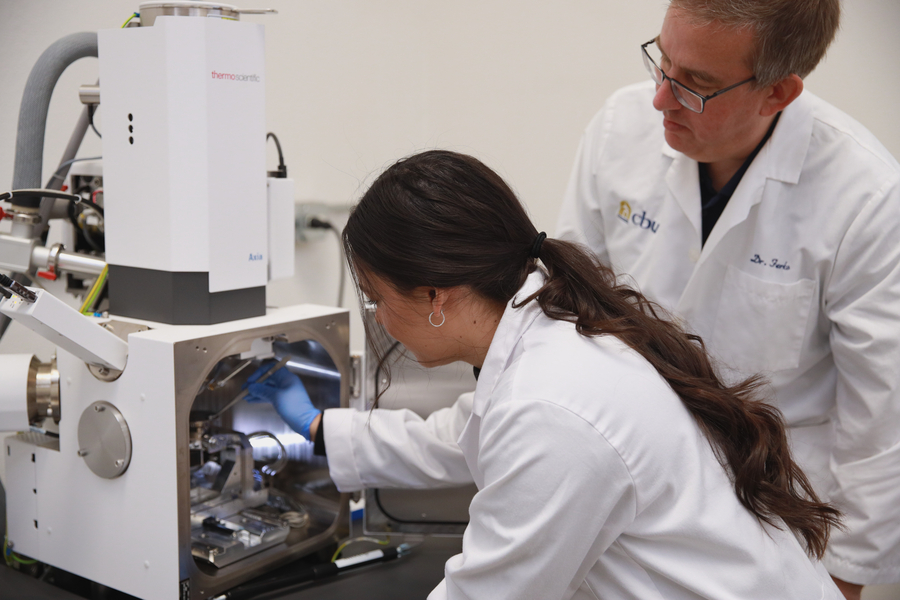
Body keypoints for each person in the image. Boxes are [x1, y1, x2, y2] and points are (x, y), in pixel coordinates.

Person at [246, 149, 844, 599]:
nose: (376, 315)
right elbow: (463, 435)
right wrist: (317, 426)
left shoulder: (552, 406)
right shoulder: (547, 331)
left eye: (376, 296)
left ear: (435, 295)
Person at [556, 2, 900, 597]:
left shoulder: (864, 197)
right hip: (628, 503)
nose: (661, 98)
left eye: (697, 85)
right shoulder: (620, 129)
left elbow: (882, 423)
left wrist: (843, 579)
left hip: (776, 527)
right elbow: (567, 315)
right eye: (663, 62)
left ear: (779, 93)